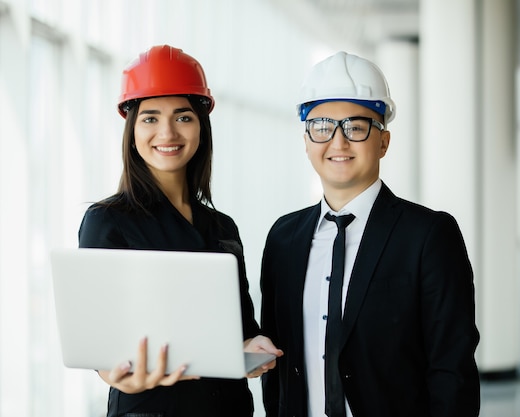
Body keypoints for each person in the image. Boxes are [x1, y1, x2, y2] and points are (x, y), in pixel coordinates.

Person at [259, 51, 480, 417]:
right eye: (322, 126)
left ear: (384, 142)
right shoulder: (283, 238)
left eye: (356, 126)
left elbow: (451, 370)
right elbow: (278, 365)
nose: (338, 142)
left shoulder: (428, 236)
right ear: (306, 141)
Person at [78, 45, 282, 417]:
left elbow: (241, 329)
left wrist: (256, 346)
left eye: (183, 117)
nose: (167, 132)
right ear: (132, 129)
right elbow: (99, 343)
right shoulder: (108, 221)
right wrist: (117, 374)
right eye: (150, 118)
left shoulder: (222, 227)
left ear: (201, 127)